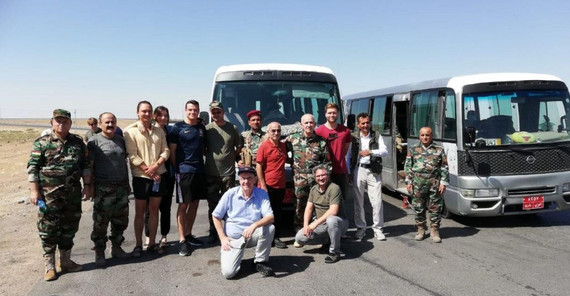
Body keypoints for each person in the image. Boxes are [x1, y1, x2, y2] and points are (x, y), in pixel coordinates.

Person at [27, 109, 92, 281]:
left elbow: (85, 165)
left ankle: (65, 261)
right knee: (48, 230)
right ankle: (49, 265)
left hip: (72, 195)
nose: (61, 124)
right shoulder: (42, 143)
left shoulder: (78, 143)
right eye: (58, 121)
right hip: (49, 197)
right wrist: (34, 191)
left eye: (65, 121)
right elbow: (33, 168)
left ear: (70, 123)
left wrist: (87, 185)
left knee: (69, 228)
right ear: (52, 122)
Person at [123, 101, 170, 257]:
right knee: (140, 212)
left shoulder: (159, 131)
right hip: (141, 177)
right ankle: (138, 244)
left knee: (154, 210)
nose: (147, 114)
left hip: (158, 175)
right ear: (138, 112)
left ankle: (152, 242)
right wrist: (148, 170)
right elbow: (132, 155)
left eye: (149, 111)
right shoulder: (130, 131)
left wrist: (156, 166)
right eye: (143, 111)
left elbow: (166, 151)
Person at [212, 166, 275, 279]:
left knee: (269, 228)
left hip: (251, 235)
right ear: (239, 180)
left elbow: (270, 217)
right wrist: (222, 238)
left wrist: (254, 225)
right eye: (243, 178)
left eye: (249, 178)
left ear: (255, 179)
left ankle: (260, 262)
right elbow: (216, 216)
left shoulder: (261, 194)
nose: (246, 181)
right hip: (233, 239)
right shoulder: (230, 194)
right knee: (229, 273)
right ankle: (233, 256)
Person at [87, 112, 130, 267]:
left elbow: (124, 163)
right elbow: (89, 167)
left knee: (121, 221)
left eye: (113, 122)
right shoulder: (94, 142)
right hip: (103, 189)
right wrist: (89, 186)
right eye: (107, 122)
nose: (110, 125)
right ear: (100, 123)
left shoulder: (120, 140)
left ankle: (116, 248)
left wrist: (127, 184)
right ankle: (100, 252)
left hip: (121, 187)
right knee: (100, 223)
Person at [169, 100, 207, 256]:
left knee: (195, 203)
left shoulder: (201, 127)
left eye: (195, 110)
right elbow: (172, 152)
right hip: (184, 171)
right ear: (185, 110)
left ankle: (189, 234)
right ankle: (182, 239)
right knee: (183, 205)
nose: (193, 112)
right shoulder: (176, 129)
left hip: (199, 170)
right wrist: (178, 169)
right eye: (190, 110)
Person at [286, 114, 331, 235]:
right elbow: (280, 152)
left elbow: (327, 163)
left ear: (315, 124)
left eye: (311, 123)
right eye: (306, 123)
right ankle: (299, 230)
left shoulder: (321, 142)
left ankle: (316, 231)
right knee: (299, 205)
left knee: (317, 206)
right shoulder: (291, 139)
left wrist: (324, 180)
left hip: (316, 181)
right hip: (298, 179)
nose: (308, 125)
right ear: (301, 125)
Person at [294, 165, 348, 264]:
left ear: (328, 176)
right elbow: (309, 208)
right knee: (299, 238)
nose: (321, 178)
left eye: (323, 175)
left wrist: (314, 224)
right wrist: (306, 225)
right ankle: (327, 241)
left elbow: (333, 211)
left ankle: (335, 252)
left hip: (339, 222)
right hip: (321, 224)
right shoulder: (314, 189)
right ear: (315, 178)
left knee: (331, 220)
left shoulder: (334, 188)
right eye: (318, 176)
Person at [205, 101, 242, 243]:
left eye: (218, 111)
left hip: (228, 173)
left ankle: (229, 231)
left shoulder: (232, 128)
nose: (216, 114)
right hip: (211, 173)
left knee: (229, 204)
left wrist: (231, 157)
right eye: (213, 112)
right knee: (213, 205)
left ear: (223, 112)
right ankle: (213, 231)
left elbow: (238, 147)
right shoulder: (207, 129)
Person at [404, 126, 449, 243]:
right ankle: (421, 230)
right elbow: (408, 166)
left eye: (427, 135)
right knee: (419, 208)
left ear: (431, 136)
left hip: (434, 184)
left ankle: (434, 231)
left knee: (435, 208)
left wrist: (443, 182)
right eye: (423, 135)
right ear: (419, 136)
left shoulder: (439, 149)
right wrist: (409, 182)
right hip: (417, 184)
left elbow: (444, 167)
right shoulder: (413, 149)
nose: (425, 137)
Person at [349, 113, 388, 241]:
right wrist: (349, 171)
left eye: (367, 122)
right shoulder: (353, 137)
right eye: (363, 123)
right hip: (358, 169)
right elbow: (348, 154)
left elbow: (384, 151)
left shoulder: (376, 136)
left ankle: (378, 229)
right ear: (358, 125)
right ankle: (361, 228)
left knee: (376, 201)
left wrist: (371, 152)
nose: (365, 125)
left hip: (373, 170)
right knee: (358, 201)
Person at [142, 106, 176, 253]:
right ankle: (149, 236)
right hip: (151, 174)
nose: (163, 118)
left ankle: (164, 236)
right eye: (160, 115)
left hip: (167, 174)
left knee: (166, 207)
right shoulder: (149, 130)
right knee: (150, 209)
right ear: (154, 116)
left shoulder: (170, 131)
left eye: (165, 115)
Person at [256, 122, 287, 249]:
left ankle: (276, 237)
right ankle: (265, 238)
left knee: (278, 212)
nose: (276, 133)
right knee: (266, 214)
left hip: (280, 185)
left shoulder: (283, 146)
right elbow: (258, 166)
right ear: (268, 132)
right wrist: (263, 184)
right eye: (273, 131)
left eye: (278, 130)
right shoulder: (264, 146)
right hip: (267, 185)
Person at [315, 103, 352, 199]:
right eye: (329, 113)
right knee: (325, 199)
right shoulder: (318, 131)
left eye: (334, 113)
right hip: (324, 172)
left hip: (340, 171)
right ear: (325, 114)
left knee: (340, 199)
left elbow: (345, 150)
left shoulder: (345, 131)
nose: (332, 115)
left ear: (338, 114)